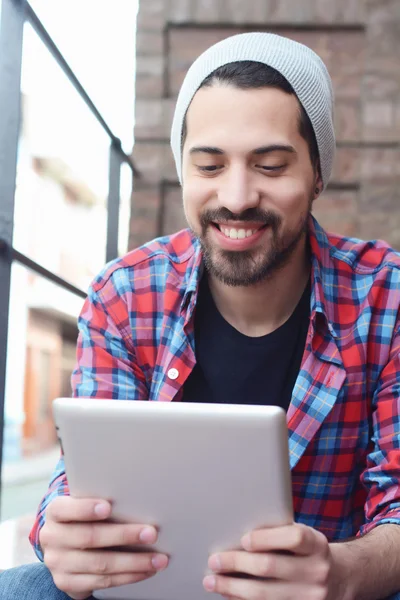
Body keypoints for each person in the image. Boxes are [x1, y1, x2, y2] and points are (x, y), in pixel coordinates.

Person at [1, 31, 400, 600]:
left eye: (269, 165)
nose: (236, 197)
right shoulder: (125, 294)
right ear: (184, 171)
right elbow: (82, 474)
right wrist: (60, 531)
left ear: (317, 173)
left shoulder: (386, 295)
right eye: (210, 165)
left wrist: (345, 574)